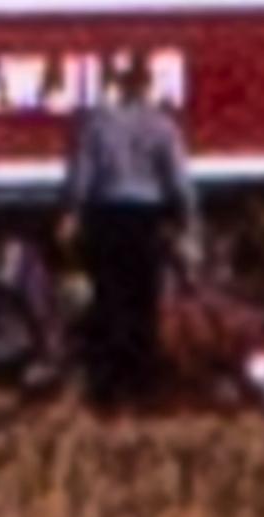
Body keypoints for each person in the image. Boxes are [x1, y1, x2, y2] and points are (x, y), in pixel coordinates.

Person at [58, 54, 197, 409]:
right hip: (145, 218)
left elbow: (81, 176)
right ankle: (142, 383)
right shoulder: (162, 126)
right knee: (143, 303)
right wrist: (186, 220)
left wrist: (71, 213)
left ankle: (108, 387)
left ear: (119, 86)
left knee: (108, 301)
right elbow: (178, 180)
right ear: (147, 86)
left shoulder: (97, 125)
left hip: (105, 216)